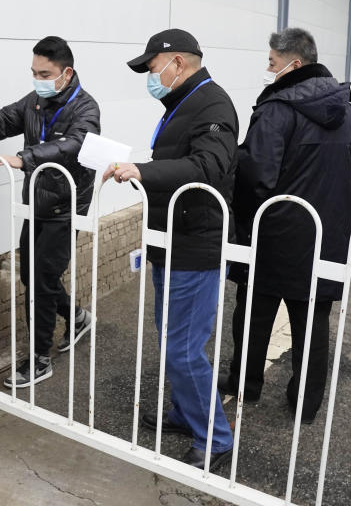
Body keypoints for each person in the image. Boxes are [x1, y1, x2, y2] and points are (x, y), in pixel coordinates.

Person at [104, 28, 238, 471]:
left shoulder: (213, 103)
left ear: (177, 63)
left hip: (195, 246)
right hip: (169, 240)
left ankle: (215, 438)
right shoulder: (183, 102)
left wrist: (141, 171)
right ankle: (186, 413)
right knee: (171, 339)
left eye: (152, 67)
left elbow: (209, 166)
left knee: (183, 348)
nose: (149, 75)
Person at [223, 27, 351, 424]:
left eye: (272, 62)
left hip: (273, 235)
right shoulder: (349, 112)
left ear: (295, 64)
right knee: (313, 322)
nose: (269, 70)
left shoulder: (276, 110)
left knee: (253, 313)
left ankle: (244, 386)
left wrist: (246, 219)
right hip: (326, 236)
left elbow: (256, 177)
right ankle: (305, 403)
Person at [0, 36, 101, 388]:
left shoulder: (86, 108)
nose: (38, 79)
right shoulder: (34, 103)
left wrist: (23, 160)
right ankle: (77, 318)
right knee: (33, 277)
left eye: (45, 73)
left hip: (66, 207)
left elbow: (74, 145)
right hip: (35, 202)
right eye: (34, 72)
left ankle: (39, 358)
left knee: (42, 281)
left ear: (66, 73)